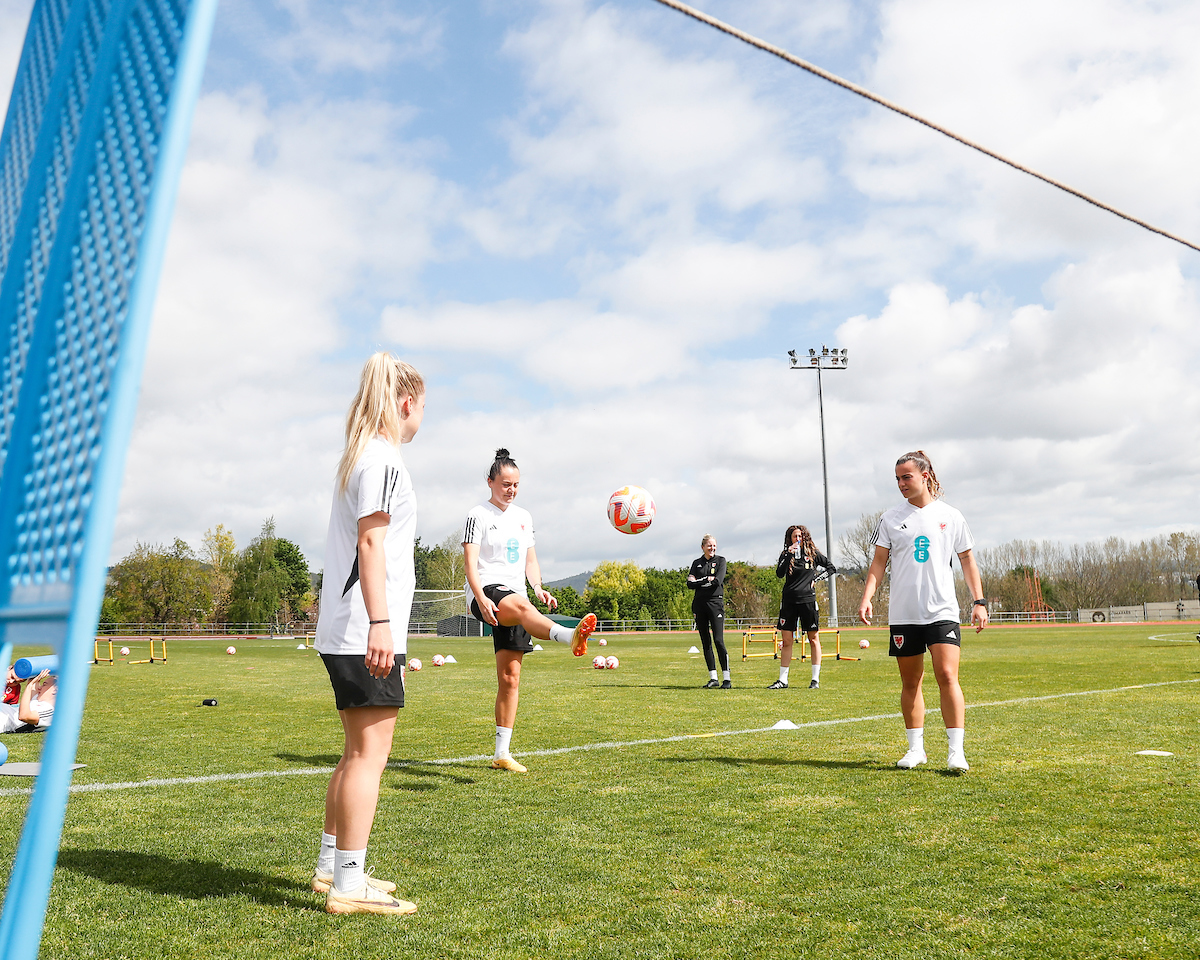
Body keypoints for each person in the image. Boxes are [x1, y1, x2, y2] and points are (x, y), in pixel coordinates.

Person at [311, 352, 424, 916]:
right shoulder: (382, 460)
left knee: (355, 752)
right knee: (369, 756)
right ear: (406, 403)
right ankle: (349, 886)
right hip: (364, 629)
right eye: (422, 407)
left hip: (350, 628)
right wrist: (381, 623)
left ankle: (332, 867)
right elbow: (371, 542)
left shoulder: (362, 456)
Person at [463, 448, 597, 774]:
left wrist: (538, 587)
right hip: (487, 592)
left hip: (518, 597)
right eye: (505, 484)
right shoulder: (477, 515)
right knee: (523, 607)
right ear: (490, 482)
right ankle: (568, 636)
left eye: (516, 485)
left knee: (510, 678)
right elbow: (469, 563)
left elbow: (530, 560)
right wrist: (479, 596)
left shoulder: (524, 517)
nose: (511, 490)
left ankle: (502, 754)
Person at [858, 450, 987, 772]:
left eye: (907, 477)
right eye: (897, 479)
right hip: (904, 613)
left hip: (942, 610)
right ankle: (916, 749)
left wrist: (979, 601)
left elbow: (967, 559)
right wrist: (867, 597)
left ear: (925, 476)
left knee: (947, 675)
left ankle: (956, 752)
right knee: (911, 682)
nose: (901, 483)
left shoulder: (951, 516)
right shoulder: (890, 518)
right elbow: (878, 562)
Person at [769, 525, 836, 690]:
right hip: (789, 602)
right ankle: (782, 680)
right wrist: (788, 554)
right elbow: (779, 574)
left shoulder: (812, 554)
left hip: (808, 601)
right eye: (795, 536)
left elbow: (831, 568)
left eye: (800, 536)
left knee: (813, 639)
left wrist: (816, 579)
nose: (798, 539)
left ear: (805, 537)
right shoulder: (786, 554)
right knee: (787, 641)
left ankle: (815, 680)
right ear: (790, 538)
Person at [688, 535, 730, 688]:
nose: (712, 548)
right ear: (703, 547)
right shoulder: (696, 563)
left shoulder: (721, 561)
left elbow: (718, 581)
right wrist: (706, 579)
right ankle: (713, 678)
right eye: (709, 545)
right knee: (706, 642)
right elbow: (689, 584)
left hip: (715, 603)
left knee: (718, 640)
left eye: (714, 545)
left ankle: (727, 678)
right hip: (699, 604)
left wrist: (699, 582)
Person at [0, 667, 55, 732]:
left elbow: (24, 716)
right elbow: (33, 678)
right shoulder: (38, 698)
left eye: (44, 685)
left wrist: (30, 685)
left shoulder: (50, 711)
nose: (39, 688)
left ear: (55, 690)